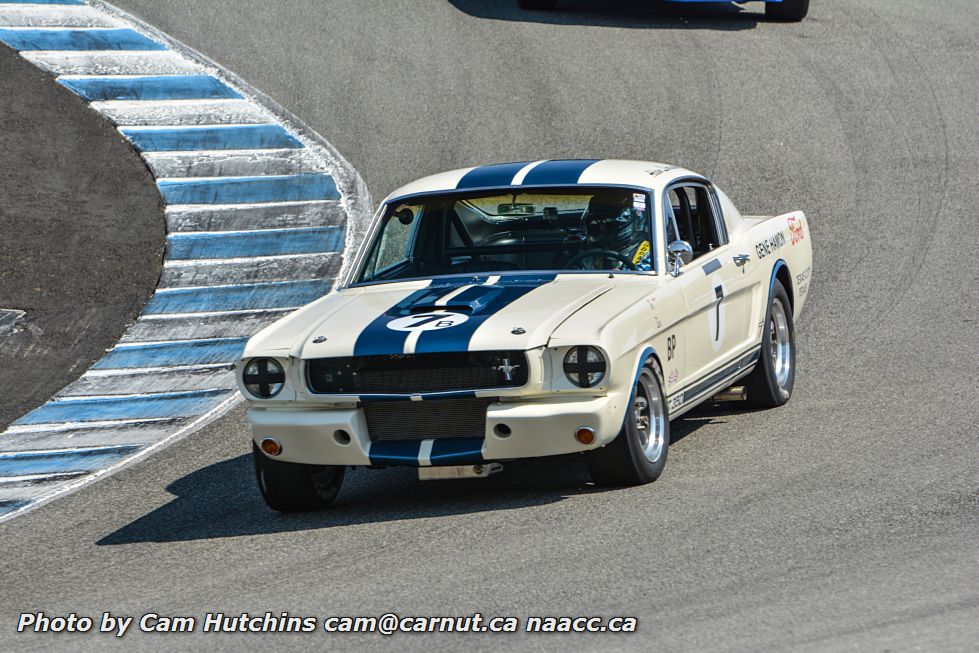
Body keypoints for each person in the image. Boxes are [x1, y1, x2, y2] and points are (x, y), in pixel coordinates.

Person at [579, 192, 651, 271]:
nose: (602, 229)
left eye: (611, 223)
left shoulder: (650, 252)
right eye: (595, 224)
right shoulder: (586, 253)